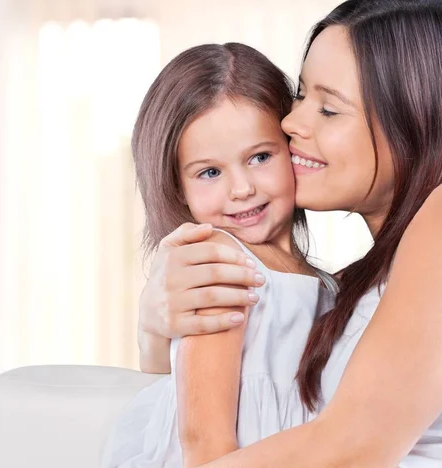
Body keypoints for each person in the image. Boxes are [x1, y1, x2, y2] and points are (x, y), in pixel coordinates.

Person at [138, 0, 442, 466]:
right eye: (300, 94)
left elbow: (350, 450)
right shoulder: (365, 290)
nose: (291, 123)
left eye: (329, 109)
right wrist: (154, 330)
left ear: (417, 121)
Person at [101, 43, 338, 467]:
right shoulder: (219, 264)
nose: (241, 188)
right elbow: (203, 442)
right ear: (179, 188)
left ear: (294, 151)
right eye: (210, 172)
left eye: (260, 157)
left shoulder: (327, 285)